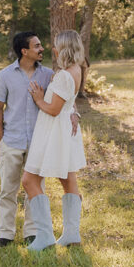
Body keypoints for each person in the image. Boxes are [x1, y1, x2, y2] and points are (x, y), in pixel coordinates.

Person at [0, 31, 79, 247]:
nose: (42, 49)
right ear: (24, 51)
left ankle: (33, 234)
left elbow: (64, 97)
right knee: (8, 189)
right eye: (37, 46)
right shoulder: (5, 75)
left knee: (35, 186)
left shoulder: (49, 74)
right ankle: (5, 235)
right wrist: (1, 139)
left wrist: (74, 112)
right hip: (12, 140)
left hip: (40, 142)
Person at [21, 29, 87, 250]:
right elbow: (66, 104)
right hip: (63, 132)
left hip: (53, 134)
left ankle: (44, 236)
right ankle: (71, 234)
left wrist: (39, 98)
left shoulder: (65, 75)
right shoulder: (75, 69)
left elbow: (53, 109)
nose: (53, 49)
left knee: (29, 180)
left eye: (56, 45)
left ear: (65, 48)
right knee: (68, 182)